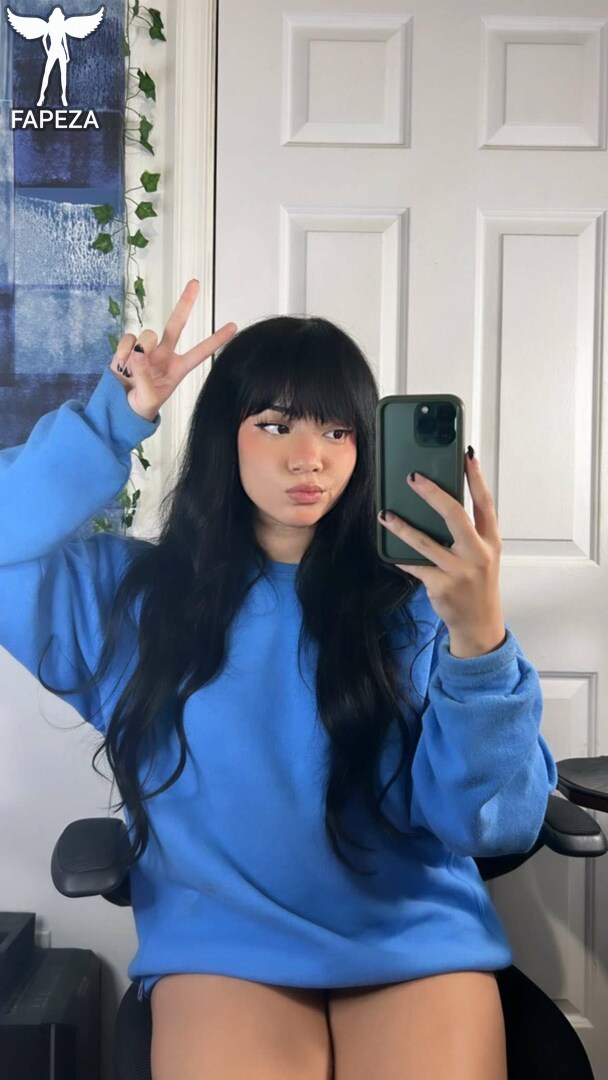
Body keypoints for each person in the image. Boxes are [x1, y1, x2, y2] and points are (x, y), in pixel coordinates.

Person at [0, 279, 557, 1079]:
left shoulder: (424, 603)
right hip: (221, 941)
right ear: (224, 434)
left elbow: (493, 825)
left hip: (411, 932)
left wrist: (480, 638)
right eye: (275, 425)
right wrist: (115, 419)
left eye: (337, 430)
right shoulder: (132, 600)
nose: (310, 458)